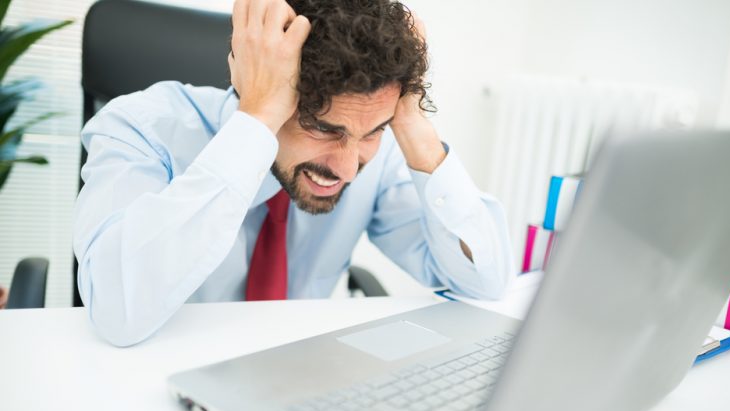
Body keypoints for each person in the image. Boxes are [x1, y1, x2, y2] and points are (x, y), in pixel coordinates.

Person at [73, 0, 514, 347]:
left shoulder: (371, 154)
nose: (346, 168)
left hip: (305, 379)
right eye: (323, 128)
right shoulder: (141, 128)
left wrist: (414, 129)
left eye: (372, 132)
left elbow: (483, 284)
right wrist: (258, 119)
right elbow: (117, 313)